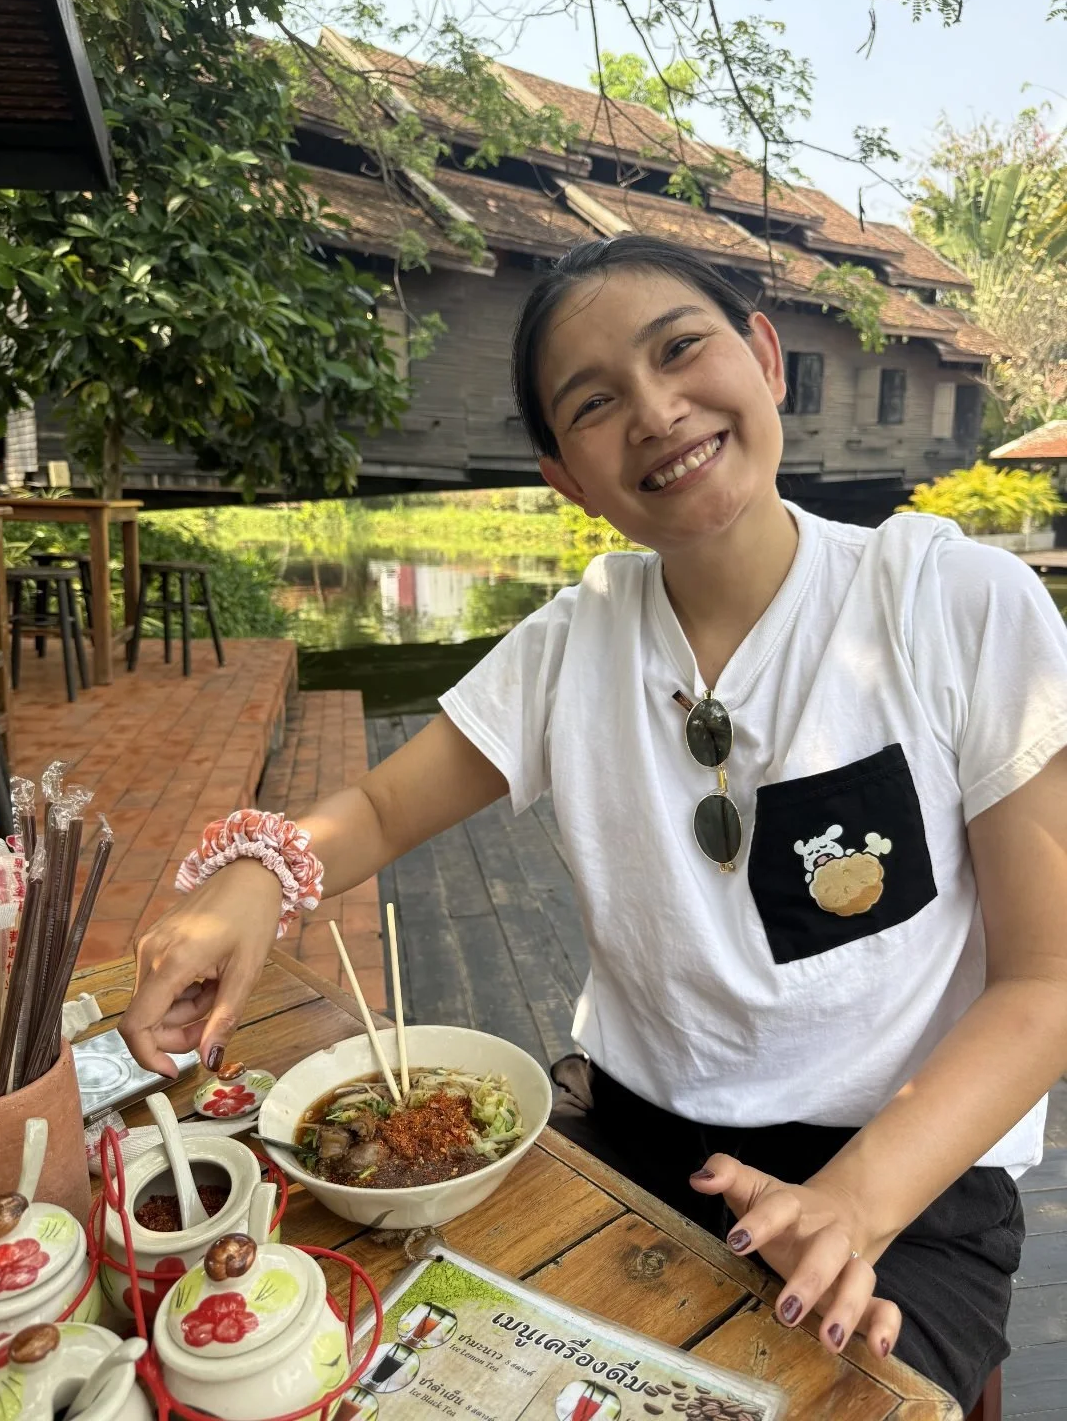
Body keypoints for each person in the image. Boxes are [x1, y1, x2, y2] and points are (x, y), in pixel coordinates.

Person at [118, 236, 1067, 1413]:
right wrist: (254, 879)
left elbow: (1048, 983)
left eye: (682, 350)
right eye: (596, 403)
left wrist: (859, 1202)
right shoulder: (569, 648)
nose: (659, 412)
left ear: (764, 358)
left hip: (908, 1175)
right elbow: (371, 804)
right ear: (565, 475)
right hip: (630, 1135)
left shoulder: (948, 601)